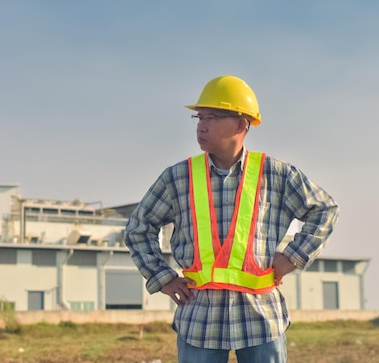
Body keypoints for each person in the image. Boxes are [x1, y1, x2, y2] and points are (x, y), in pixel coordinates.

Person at [124, 75, 339, 363]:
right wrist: (162, 278)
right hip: (200, 319)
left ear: (241, 124)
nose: (202, 125)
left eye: (212, 117)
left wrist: (293, 257)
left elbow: (324, 209)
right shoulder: (178, 177)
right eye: (199, 117)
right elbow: (138, 229)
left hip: (261, 318)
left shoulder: (275, 174)